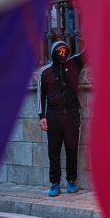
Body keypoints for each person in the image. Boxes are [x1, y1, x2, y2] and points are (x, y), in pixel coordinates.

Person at [37, 41, 85, 197]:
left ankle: (71, 181)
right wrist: (41, 116)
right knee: (54, 151)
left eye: (65, 50)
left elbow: (88, 52)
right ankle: (55, 184)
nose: (62, 53)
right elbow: (40, 95)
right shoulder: (45, 71)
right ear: (53, 52)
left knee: (72, 149)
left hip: (72, 115)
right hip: (53, 116)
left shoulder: (74, 64)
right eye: (59, 51)